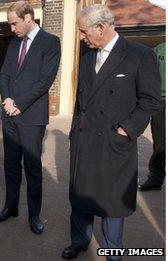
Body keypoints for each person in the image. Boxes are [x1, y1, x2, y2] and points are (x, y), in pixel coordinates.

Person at [63, 4, 161, 260]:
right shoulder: (86, 56)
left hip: (113, 142)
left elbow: (151, 101)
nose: (81, 38)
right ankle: (80, 241)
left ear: (101, 28)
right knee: (80, 194)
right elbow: (80, 102)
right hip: (85, 140)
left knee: (111, 200)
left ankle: (112, 249)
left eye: (83, 32)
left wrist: (126, 130)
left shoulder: (139, 55)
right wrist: (74, 134)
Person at [0, 1, 60, 235]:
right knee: (10, 165)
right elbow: (4, 74)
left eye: (15, 23)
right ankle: (10, 208)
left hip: (31, 117)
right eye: (10, 24)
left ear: (29, 17)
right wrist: (8, 101)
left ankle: (34, 216)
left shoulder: (51, 42)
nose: (12, 28)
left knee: (32, 168)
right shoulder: (13, 44)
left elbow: (45, 80)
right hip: (9, 115)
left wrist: (19, 104)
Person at [138, 42, 166, 191]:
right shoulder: (159, 49)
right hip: (162, 100)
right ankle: (155, 178)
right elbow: (149, 73)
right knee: (160, 142)